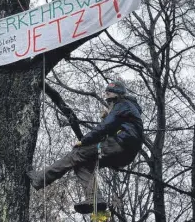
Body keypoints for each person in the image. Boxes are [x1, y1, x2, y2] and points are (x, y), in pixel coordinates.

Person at [27, 81, 144, 214]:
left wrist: (84, 141)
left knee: (76, 154)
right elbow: (110, 130)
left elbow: (104, 127)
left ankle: (40, 179)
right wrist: (107, 117)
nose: (106, 94)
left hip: (119, 144)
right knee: (82, 165)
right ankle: (95, 199)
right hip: (125, 153)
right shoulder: (129, 110)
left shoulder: (123, 104)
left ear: (118, 95)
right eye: (106, 92)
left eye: (109, 92)